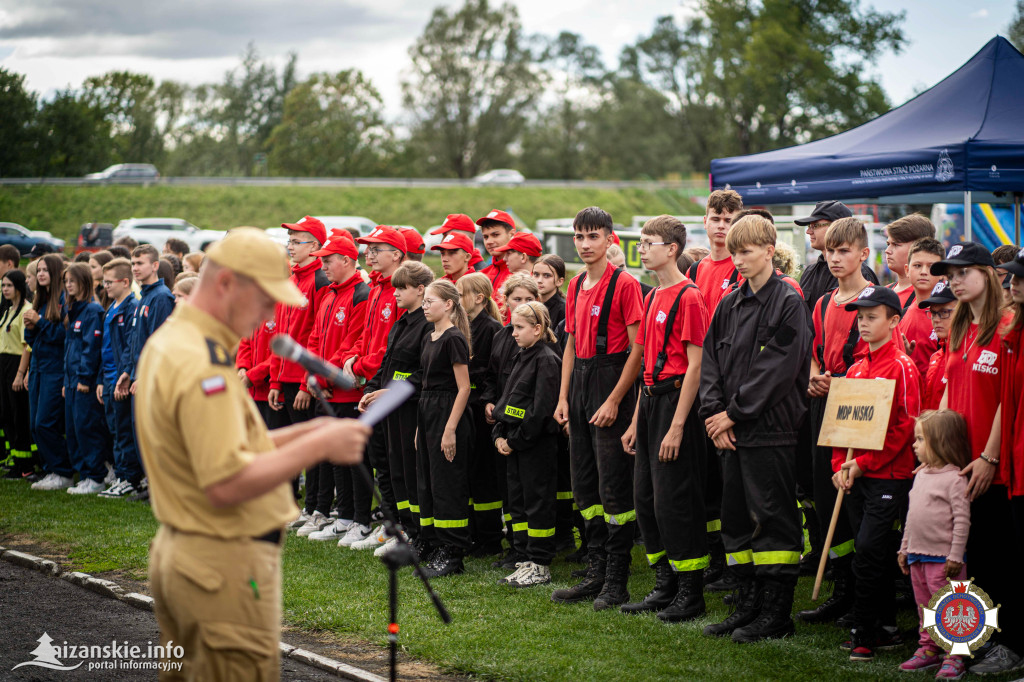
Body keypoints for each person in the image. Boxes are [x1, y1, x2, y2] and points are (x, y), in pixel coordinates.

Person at [136, 228, 370, 680]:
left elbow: (230, 448)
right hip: (220, 566)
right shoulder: (201, 360)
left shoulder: (180, 342)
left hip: (199, 556)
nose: (270, 315)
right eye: (265, 301)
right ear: (226, 284)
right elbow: (225, 482)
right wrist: (321, 445)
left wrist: (313, 433)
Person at [698, 214, 811, 642]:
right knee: (735, 521)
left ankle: (776, 613)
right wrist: (715, 414)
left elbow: (777, 370)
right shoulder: (730, 302)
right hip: (730, 431)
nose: (738, 260)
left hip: (771, 431)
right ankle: (747, 605)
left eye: (746, 252)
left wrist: (734, 413)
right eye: (735, 252)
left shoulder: (788, 302)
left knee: (775, 521)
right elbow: (711, 362)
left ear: (769, 250)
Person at [933, 241, 1022, 674]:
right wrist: (938, 451)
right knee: (973, 558)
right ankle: (977, 642)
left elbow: (1009, 399)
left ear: (988, 273)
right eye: (950, 274)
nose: (954, 281)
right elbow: (951, 391)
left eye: (962, 272)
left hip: (994, 468)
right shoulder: (960, 327)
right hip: (960, 465)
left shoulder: (1008, 325)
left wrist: (989, 456)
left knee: (998, 556)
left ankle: (1008, 645)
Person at [551, 207, 643, 610]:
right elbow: (570, 343)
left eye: (593, 236)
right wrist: (563, 398)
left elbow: (639, 349)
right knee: (584, 485)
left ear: (610, 240)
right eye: (579, 236)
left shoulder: (625, 284)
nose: (586, 244)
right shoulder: (573, 287)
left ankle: (616, 580)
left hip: (611, 382)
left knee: (614, 487)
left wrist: (614, 400)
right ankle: (595, 570)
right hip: (581, 386)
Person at [619, 215, 710, 621]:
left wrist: (676, 426)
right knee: (646, 498)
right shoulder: (653, 295)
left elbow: (695, 366)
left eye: (648, 242)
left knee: (675, 501)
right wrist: (636, 420)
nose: (641, 248)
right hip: (652, 404)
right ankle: (664, 584)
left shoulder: (689, 297)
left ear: (671, 248)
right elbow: (646, 368)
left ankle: (690, 592)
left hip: (677, 407)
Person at [830, 285, 920, 662]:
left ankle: (863, 633)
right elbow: (842, 427)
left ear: (894, 320)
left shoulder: (902, 366)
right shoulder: (855, 367)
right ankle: (884, 627)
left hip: (888, 476)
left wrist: (861, 464)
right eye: (860, 317)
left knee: (868, 550)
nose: (863, 324)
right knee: (875, 551)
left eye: (872, 317)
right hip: (856, 476)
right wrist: (840, 467)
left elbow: (905, 427)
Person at [799, 217, 873, 626]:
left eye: (844, 251)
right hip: (822, 404)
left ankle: (865, 595)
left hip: (856, 403)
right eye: (831, 251)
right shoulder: (824, 301)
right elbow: (813, 350)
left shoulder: (874, 298)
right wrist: (814, 373)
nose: (835, 258)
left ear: (863, 254)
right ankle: (842, 587)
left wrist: (839, 381)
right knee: (827, 495)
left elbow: (876, 356)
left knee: (855, 498)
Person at [301, 231, 373, 546]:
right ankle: (343, 516)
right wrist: (313, 378)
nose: (324, 266)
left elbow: (354, 343)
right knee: (335, 458)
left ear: (346, 260)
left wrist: (327, 378)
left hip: (348, 392)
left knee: (353, 459)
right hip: (328, 389)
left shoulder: (360, 293)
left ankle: (361, 519)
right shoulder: (330, 294)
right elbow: (316, 339)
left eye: (328, 261)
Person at [359, 261, 434, 555]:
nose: (395, 295)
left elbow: (423, 373)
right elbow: (388, 365)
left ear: (420, 289)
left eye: (401, 288)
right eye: (394, 288)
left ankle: (418, 534)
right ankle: (402, 528)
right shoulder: (401, 322)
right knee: (391, 471)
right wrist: (370, 390)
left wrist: (389, 392)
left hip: (410, 410)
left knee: (410, 473)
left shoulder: (427, 324)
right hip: (390, 408)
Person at [341, 225, 409, 549]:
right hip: (373, 380)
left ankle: (400, 528)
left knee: (392, 461)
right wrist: (353, 359)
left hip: (390, 385)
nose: (367, 254)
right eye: (366, 248)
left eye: (375, 248)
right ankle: (389, 523)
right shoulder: (377, 289)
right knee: (379, 457)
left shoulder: (399, 290)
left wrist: (361, 365)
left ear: (396, 254)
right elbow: (367, 340)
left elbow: (393, 348)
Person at [267, 216, 330, 532]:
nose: (290, 247)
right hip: (285, 378)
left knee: (310, 447)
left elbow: (317, 335)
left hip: (304, 380)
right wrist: (276, 379)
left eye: (297, 241)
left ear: (316, 247)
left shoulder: (319, 280)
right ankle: (295, 504)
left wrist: (309, 381)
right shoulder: (291, 279)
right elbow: (281, 333)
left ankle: (317, 508)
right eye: (289, 241)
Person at [492, 301, 561, 587]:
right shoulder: (522, 355)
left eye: (519, 327)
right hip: (515, 444)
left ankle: (541, 564)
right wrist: (499, 433)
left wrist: (515, 440)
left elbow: (541, 411)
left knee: (537, 504)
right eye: (512, 326)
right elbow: (508, 402)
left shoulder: (546, 359)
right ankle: (524, 556)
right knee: (519, 504)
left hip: (535, 446)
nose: (513, 333)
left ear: (538, 328)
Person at [897, 409, 970, 678]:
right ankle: (929, 648)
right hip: (918, 556)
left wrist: (955, 555)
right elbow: (912, 516)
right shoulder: (920, 475)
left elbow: (962, 521)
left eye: (919, 439)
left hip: (944, 560)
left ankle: (956, 653)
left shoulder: (955, 479)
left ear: (940, 442)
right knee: (924, 606)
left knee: (951, 607)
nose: (914, 445)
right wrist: (904, 548)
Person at [481, 274, 542, 569]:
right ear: (505, 302)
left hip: (525, 424)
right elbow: (491, 376)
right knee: (508, 491)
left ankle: (533, 551)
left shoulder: (541, 346)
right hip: (503, 420)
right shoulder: (502, 336)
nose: (522, 304)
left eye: (529, 299)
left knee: (529, 492)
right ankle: (516, 548)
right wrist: (490, 400)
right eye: (516, 299)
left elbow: (539, 393)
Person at [416, 279, 473, 577]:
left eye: (430, 301)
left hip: (447, 414)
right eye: (424, 301)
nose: (425, 306)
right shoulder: (429, 336)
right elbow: (425, 385)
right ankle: (436, 544)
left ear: (448, 304)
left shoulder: (454, 339)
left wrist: (449, 429)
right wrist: (419, 428)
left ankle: (453, 556)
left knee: (448, 485)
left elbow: (463, 388)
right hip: (428, 413)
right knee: (430, 483)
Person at [456, 273, 505, 555]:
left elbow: (492, 372)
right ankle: (474, 532)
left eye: (461, 294)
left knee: (483, 472)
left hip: (479, 407)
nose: (457, 300)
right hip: (466, 404)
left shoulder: (491, 328)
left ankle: (489, 538)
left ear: (479, 298)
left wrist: (486, 398)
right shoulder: (462, 325)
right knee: (469, 472)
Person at [25, 255, 73, 491]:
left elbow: (63, 337)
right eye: (39, 270)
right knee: (34, 424)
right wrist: (30, 327)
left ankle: (62, 471)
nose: (41, 274)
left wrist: (40, 322)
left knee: (46, 422)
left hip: (54, 369)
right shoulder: (40, 300)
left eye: (45, 270)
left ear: (55, 273)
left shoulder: (64, 300)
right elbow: (32, 341)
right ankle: (51, 469)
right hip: (38, 368)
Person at [61, 263, 109, 494]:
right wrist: (66, 381)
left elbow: (91, 349)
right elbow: (69, 348)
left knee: (86, 428)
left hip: (84, 383)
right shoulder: (74, 308)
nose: (68, 285)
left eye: (72, 280)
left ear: (83, 281)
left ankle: (95, 476)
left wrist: (84, 379)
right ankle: (84, 474)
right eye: (66, 281)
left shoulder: (92, 310)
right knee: (73, 428)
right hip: (70, 381)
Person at [96, 258, 141, 498]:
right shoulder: (111, 308)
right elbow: (105, 349)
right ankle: (122, 474)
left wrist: (123, 376)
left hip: (121, 381)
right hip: (110, 378)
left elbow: (129, 348)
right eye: (103, 282)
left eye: (109, 282)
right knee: (114, 430)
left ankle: (128, 477)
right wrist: (102, 379)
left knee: (123, 432)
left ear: (125, 282)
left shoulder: (131, 307)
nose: (105, 287)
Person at [796, 200, 879, 313]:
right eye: (809, 226)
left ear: (836, 226)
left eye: (815, 225)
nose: (808, 231)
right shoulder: (810, 272)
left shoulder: (861, 273)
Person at [116, 245, 175, 399]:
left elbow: (160, 343)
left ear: (155, 266)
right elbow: (136, 338)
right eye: (133, 263)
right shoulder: (145, 296)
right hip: (138, 375)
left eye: (140, 263)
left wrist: (145, 376)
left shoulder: (161, 297)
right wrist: (129, 371)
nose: (135, 268)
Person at [0, 269, 33, 478]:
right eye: (3, 285)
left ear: (19, 286)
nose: (5, 289)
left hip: (15, 364)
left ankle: (25, 465)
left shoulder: (25, 310)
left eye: (9, 285)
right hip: (3, 363)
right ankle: (15, 460)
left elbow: (26, 346)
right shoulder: (7, 310)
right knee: (6, 414)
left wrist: (20, 374)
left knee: (19, 413)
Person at [897, 238, 945, 378]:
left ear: (942, 272)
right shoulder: (900, 314)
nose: (924, 272)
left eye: (931, 266)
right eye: (917, 265)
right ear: (907, 270)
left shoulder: (950, 316)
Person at [882, 214, 936, 309]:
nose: (887, 250)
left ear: (919, 248)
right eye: (888, 244)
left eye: (896, 244)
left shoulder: (930, 296)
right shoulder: (883, 293)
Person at [918, 281, 957, 411]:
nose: (936, 319)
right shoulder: (935, 357)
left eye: (944, 312)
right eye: (933, 313)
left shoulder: (964, 356)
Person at [477, 210, 517, 302]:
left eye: (495, 235)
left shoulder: (523, 273)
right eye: (485, 237)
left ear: (511, 234)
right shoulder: (482, 276)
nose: (489, 241)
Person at [533, 254, 566, 330]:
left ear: (559, 281)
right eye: (536, 274)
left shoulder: (563, 310)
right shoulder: (529, 303)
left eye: (547, 276)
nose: (539, 280)